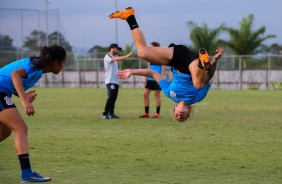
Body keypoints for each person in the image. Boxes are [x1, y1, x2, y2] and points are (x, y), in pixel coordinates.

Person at [109, 7, 224, 122]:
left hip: (177, 60)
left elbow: (154, 73)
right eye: (183, 117)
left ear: (175, 108)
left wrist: (132, 72)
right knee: (199, 84)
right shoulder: (197, 97)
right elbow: (208, 78)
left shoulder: (170, 93)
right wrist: (216, 61)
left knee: (142, 53)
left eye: (177, 116)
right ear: (189, 111)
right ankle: (202, 63)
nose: (179, 115)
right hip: (192, 64)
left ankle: (129, 17)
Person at [0, 45, 66, 182]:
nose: (63, 66)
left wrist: (23, 94)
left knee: (5, 131)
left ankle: (27, 174)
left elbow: (10, 81)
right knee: (21, 128)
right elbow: (14, 75)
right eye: (63, 62)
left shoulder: (38, 67)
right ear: (55, 62)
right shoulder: (35, 66)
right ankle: (27, 173)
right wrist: (24, 100)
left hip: (2, 92)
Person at [103, 43, 132, 119]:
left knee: (114, 98)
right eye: (117, 49)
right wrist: (126, 56)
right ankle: (105, 114)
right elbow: (114, 59)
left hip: (115, 81)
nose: (118, 50)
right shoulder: (108, 56)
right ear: (112, 48)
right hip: (110, 81)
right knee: (111, 97)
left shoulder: (114, 57)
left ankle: (111, 113)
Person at [139, 41, 165, 118]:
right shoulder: (150, 57)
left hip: (157, 80)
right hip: (149, 79)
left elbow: (163, 69)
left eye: (151, 46)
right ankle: (146, 113)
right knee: (145, 94)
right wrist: (145, 78)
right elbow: (148, 68)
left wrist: (161, 78)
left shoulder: (160, 56)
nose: (149, 48)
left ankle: (157, 113)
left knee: (157, 95)